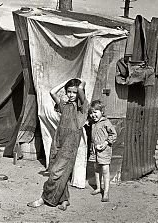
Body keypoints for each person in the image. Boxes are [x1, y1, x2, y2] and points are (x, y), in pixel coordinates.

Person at [27, 78, 89, 210]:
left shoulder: (82, 108)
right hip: (58, 141)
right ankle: (65, 200)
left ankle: (43, 198)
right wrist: (66, 82)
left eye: (74, 92)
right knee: (61, 172)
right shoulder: (64, 105)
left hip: (70, 146)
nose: (71, 95)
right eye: (69, 92)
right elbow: (52, 92)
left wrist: (81, 84)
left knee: (55, 173)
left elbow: (80, 90)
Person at [88, 100, 117, 202]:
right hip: (94, 149)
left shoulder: (106, 122)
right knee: (96, 168)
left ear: (102, 111)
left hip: (104, 150)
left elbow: (113, 134)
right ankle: (98, 188)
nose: (93, 115)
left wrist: (105, 143)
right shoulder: (93, 123)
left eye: (95, 112)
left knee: (105, 169)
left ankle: (106, 192)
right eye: (91, 112)